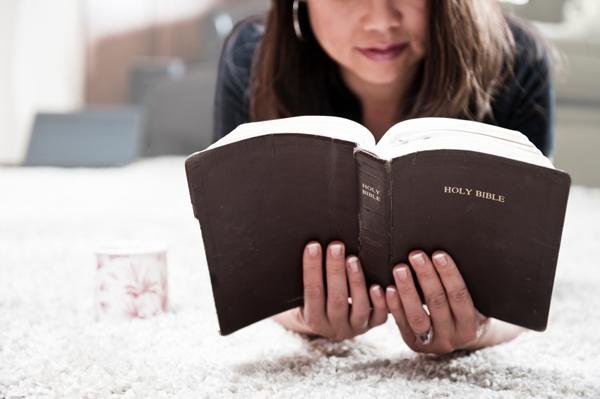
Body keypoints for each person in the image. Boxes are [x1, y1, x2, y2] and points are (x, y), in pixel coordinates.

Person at [212, 0, 555, 355]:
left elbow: (531, 280)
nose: (381, 21)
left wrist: (481, 331)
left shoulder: (515, 58)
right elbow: (240, 266)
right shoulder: (252, 58)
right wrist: (300, 316)